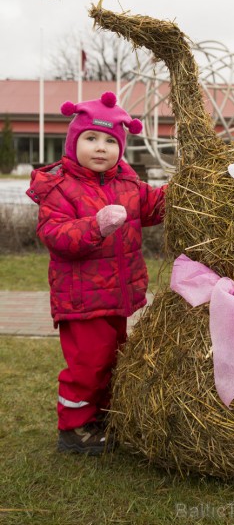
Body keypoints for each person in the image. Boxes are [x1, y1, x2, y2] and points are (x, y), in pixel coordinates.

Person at [27, 91, 166, 455]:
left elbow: (155, 206)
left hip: (117, 296)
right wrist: (96, 227)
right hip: (81, 299)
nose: (101, 147)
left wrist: (189, 190)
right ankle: (73, 430)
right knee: (88, 366)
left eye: (110, 141)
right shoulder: (60, 188)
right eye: (91, 138)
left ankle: (100, 418)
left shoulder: (128, 184)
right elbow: (56, 236)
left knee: (112, 361)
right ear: (73, 143)